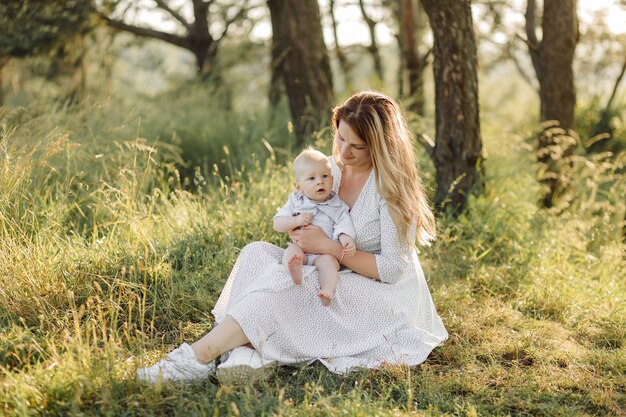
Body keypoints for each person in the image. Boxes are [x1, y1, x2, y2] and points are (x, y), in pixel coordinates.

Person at [136, 90, 448, 384]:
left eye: (357, 146)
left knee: (292, 287)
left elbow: (392, 271)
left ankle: (197, 358)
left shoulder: (390, 190)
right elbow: (297, 209)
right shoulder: (329, 169)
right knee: (257, 253)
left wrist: (329, 247)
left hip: (383, 295)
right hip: (328, 265)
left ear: (381, 145)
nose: (344, 152)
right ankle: (252, 350)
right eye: (341, 138)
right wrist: (299, 232)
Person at [274, 147, 356, 306]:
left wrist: (347, 240)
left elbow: (343, 224)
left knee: (330, 265)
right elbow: (277, 223)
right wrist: (296, 221)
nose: (320, 181)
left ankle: (327, 290)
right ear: (299, 187)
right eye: (311, 179)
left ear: (332, 179)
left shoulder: (337, 204)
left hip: (324, 254)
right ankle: (294, 271)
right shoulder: (296, 201)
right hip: (302, 250)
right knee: (291, 252)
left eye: (324, 176)